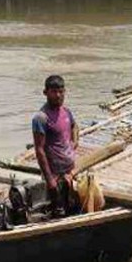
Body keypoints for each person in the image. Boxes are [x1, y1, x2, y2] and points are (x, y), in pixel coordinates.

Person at [32, 75, 80, 217]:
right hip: (54, 176)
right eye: (54, 92)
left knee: (72, 208)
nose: (58, 95)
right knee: (57, 213)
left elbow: (75, 126)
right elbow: (39, 150)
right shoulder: (41, 118)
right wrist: (50, 180)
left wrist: (74, 142)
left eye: (61, 91)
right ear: (45, 93)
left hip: (69, 172)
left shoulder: (66, 112)